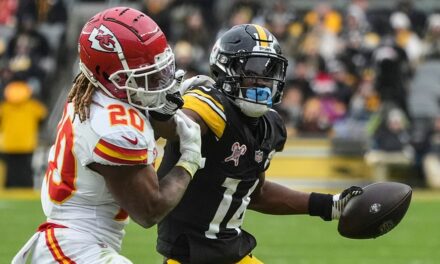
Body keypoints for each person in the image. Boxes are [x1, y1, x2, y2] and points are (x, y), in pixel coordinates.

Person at [156, 24, 363, 264]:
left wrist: (328, 205)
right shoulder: (209, 105)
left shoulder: (270, 125)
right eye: (252, 70)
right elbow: (177, 130)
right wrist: (166, 112)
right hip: (189, 257)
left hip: (233, 253)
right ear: (225, 68)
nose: (263, 80)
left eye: (270, 70)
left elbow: (256, 192)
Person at [12, 7, 203, 264]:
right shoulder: (113, 127)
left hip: (75, 242)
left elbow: (151, 126)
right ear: (111, 76)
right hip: (74, 245)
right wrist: (190, 159)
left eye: (161, 71)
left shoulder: (97, 91)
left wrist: (165, 106)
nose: (160, 82)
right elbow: (150, 210)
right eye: (147, 76)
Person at [0, 80, 47, 188]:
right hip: (27, 144)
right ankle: (26, 188)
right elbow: (42, 117)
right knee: (25, 170)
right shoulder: (34, 106)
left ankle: (10, 190)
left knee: (10, 172)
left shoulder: (4, 107)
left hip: (8, 145)